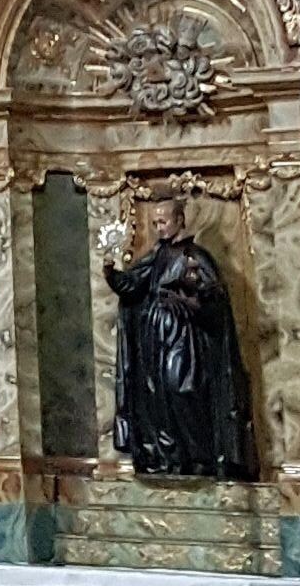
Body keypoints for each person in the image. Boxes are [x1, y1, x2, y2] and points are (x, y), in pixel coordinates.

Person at [105, 197, 256, 480]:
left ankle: (198, 458)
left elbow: (214, 300)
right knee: (156, 398)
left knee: (182, 391)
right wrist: (111, 273)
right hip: (154, 341)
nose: (159, 228)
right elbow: (133, 285)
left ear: (179, 220)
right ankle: (168, 459)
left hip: (184, 341)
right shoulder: (157, 255)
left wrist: (188, 298)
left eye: (163, 221)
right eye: (155, 223)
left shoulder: (195, 256)